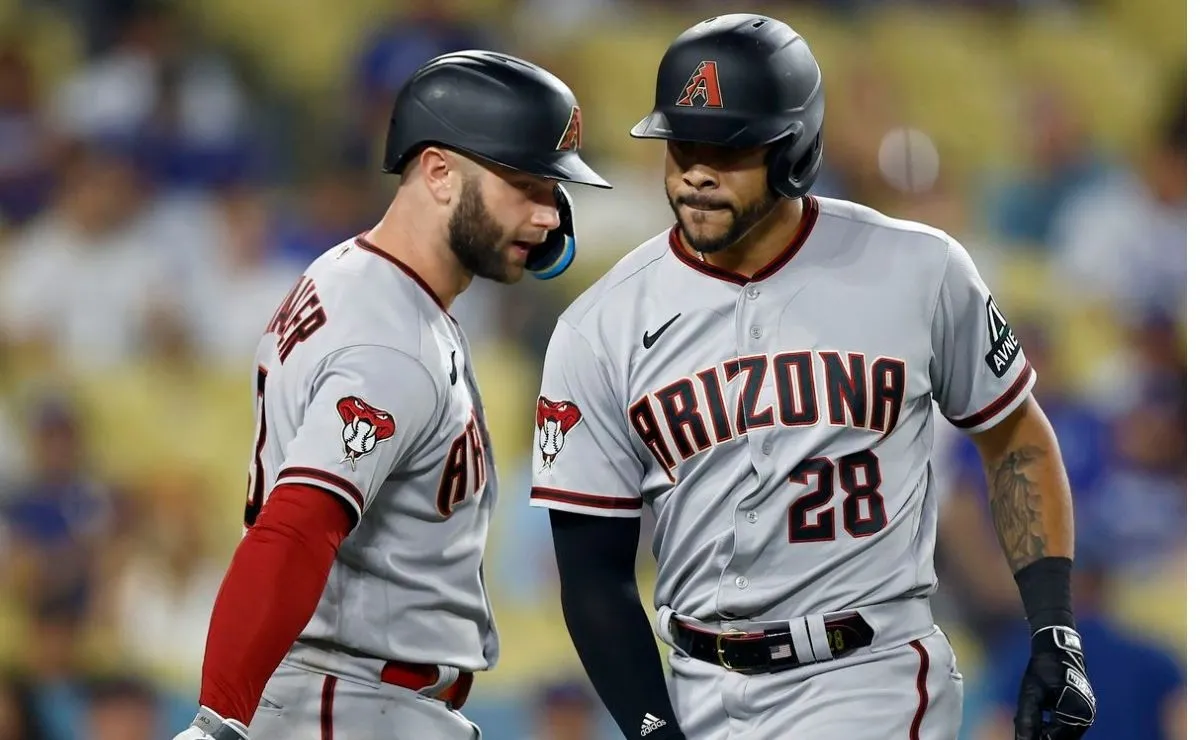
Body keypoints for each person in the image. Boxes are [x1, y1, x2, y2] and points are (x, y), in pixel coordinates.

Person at [530, 14, 1095, 740]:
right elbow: (594, 577)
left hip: (872, 675)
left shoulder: (918, 269)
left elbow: (1014, 433)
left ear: (794, 150)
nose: (696, 171)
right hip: (700, 686)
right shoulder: (599, 323)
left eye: (726, 149)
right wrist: (652, 728)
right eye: (681, 145)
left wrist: (1053, 625)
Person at [171, 49, 611, 740]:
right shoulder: (389, 339)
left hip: (361, 695)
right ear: (437, 171)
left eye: (553, 192)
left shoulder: (371, 279)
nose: (551, 217)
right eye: (526, 185)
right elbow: (297, 527)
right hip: (350, 703)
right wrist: (219, 718)